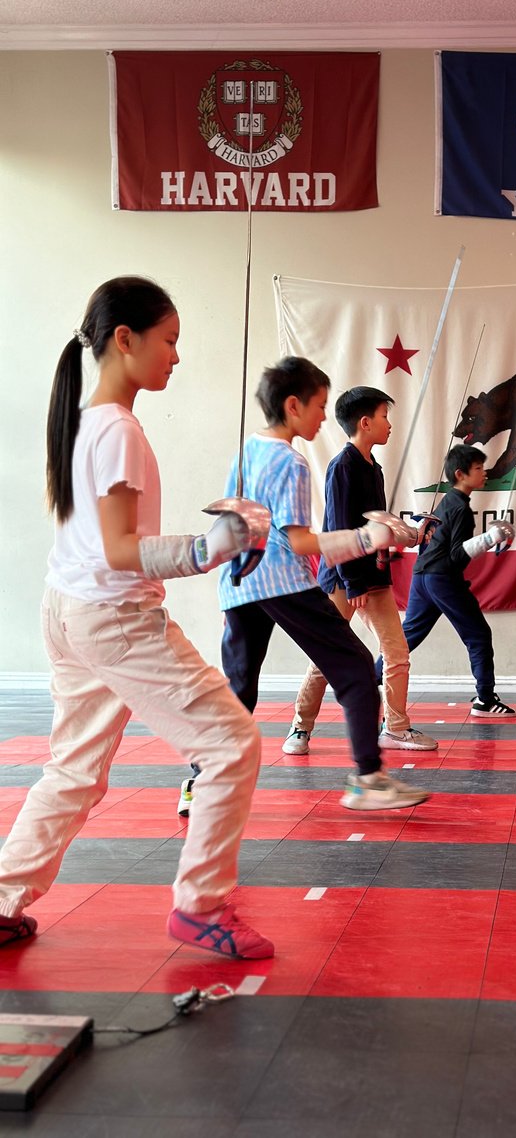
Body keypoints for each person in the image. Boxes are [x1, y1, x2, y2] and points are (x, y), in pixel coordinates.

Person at [0, 276, 273, 959]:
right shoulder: (117, 428)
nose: (176, 356)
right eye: (170, 340)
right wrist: (213, 545)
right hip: (114, 619)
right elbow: (123, 553)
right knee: (231, 745)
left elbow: (99, 545)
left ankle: (2, 896)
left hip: (67, 610)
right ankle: (201, 907)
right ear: (126, 339)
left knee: (72, 771)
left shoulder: (83, 419)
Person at [217, 357, 431, 811]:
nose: (322, 416)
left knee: (239, 688)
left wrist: (389, 532)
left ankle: (200, 782)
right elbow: (298, 542)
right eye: (318, 406)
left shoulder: (246, 451)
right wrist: (366, 538)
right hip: (279, 581)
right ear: (293, 406)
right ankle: (368, 779)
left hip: (238, 585)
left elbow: (234, 524)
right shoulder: (294, 462)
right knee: (353, 668)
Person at [287, 386, 437, 755]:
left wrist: (413, 532)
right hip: (344, 579)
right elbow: (340, 527)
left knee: (397, 651)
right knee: (327, 655)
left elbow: (376, 527)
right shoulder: (343, 467)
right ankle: (300, 727)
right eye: (385, 417)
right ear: (365, 422)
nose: (390, 425)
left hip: (374, 577)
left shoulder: (376, 469)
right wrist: (353, 582)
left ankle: (396, 728)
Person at [378, 445, 516, 718]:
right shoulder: (460, 509)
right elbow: (455, 556)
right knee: (478, 635)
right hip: (442, 578)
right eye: (478, 468)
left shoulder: (448, 501)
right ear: (461, 474)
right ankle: (486, 700)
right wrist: (491, 538)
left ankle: (369, 680)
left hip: (423, 575)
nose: (484, 472)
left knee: (407, 637)